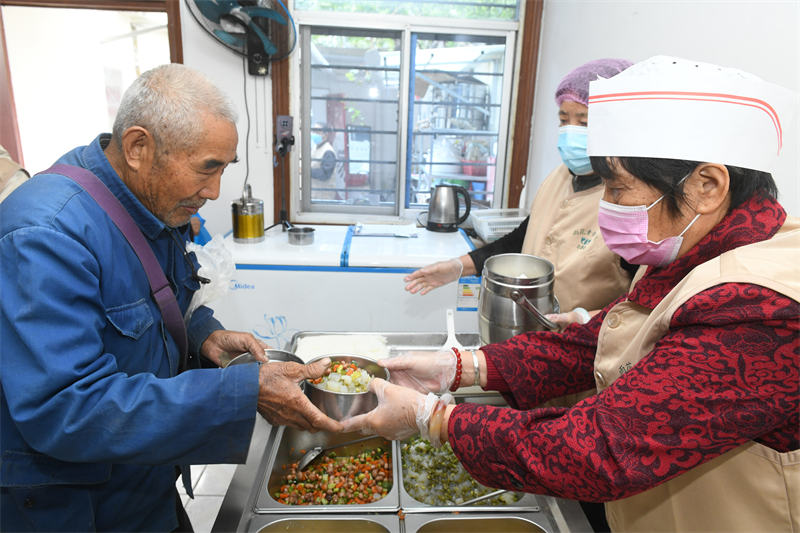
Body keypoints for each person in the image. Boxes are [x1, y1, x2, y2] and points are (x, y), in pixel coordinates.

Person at [343, 56, 799, 532]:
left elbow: (603, 450)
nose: (608, 208)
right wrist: (462, 367)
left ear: (707, 185)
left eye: (620, 189)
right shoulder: (693, 250)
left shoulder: (761, 304)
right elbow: (591, 342)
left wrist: (432, 420)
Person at [0, 64, 342, 532]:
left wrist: (205, 336)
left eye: (224, 168)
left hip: (145, 475)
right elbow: (65, 408)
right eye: (206, 168)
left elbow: (154, 302)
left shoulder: (152, 201)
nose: (214, 191)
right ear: (139, 147)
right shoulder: (45, 234)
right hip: (76, 505)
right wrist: (239, 394)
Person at [405, 59, 636, 328]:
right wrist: (459, 267)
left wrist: (585, 318)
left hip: (587, 344)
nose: (570, 131)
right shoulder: (558, 177)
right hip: (531, 335)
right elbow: (521, 240)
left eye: (583, 122)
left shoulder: (631, 201)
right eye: (564, 120)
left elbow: (645, 300)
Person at [310, 122, 339, 200]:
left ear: (325, 135)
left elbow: (325, 174)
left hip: (324, 197)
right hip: (315, 195)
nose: (313, 133)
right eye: (313, 131)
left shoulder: (328, 151)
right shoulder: (315, 148)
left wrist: (307, 171)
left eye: (317, 131)